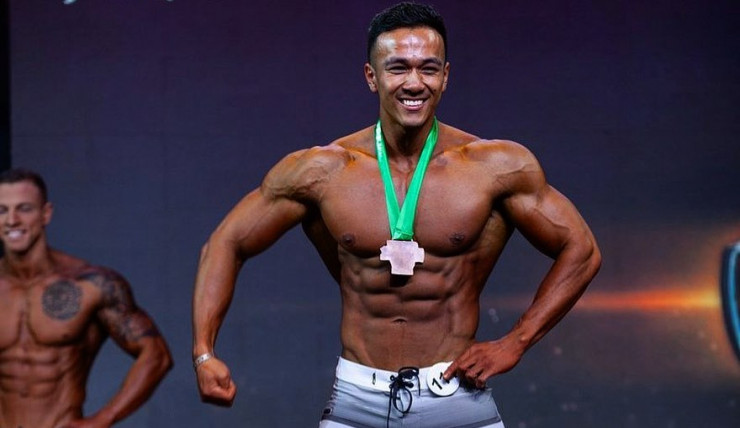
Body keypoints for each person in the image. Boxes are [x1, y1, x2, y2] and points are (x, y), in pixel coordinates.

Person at [192, 2, 601, 427]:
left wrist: (516, 341)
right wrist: (204, 352)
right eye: (398, 68)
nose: (414, 83)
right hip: (357, 399)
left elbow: (583, 250)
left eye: (428, 68)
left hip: (457, 395)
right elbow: (226, 242)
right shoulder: (322, 171)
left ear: (446, 76)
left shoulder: (494, 167)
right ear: (372, 76)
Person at [0, 168, 173, 428]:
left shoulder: (91, 285)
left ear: (46, 214)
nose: (12, 220)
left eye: (24, 209)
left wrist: (103, 419)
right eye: (2, 210)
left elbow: (157, 355)